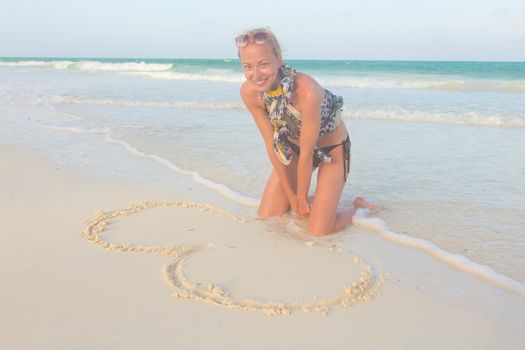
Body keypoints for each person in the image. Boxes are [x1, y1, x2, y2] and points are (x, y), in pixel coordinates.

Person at [236, 27, 377, 235]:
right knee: (268, 216)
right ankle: (321, 204)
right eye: (248, 66)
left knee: (319, 231)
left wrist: (300, 198)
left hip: (332, 151)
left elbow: (308, 152)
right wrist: (291, 196)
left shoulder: (306, 91)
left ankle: (358, 207)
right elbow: (271, 145)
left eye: (263, 64)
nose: (256, 74)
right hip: (294, 148)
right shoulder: (250, 93)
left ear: (279, 59)